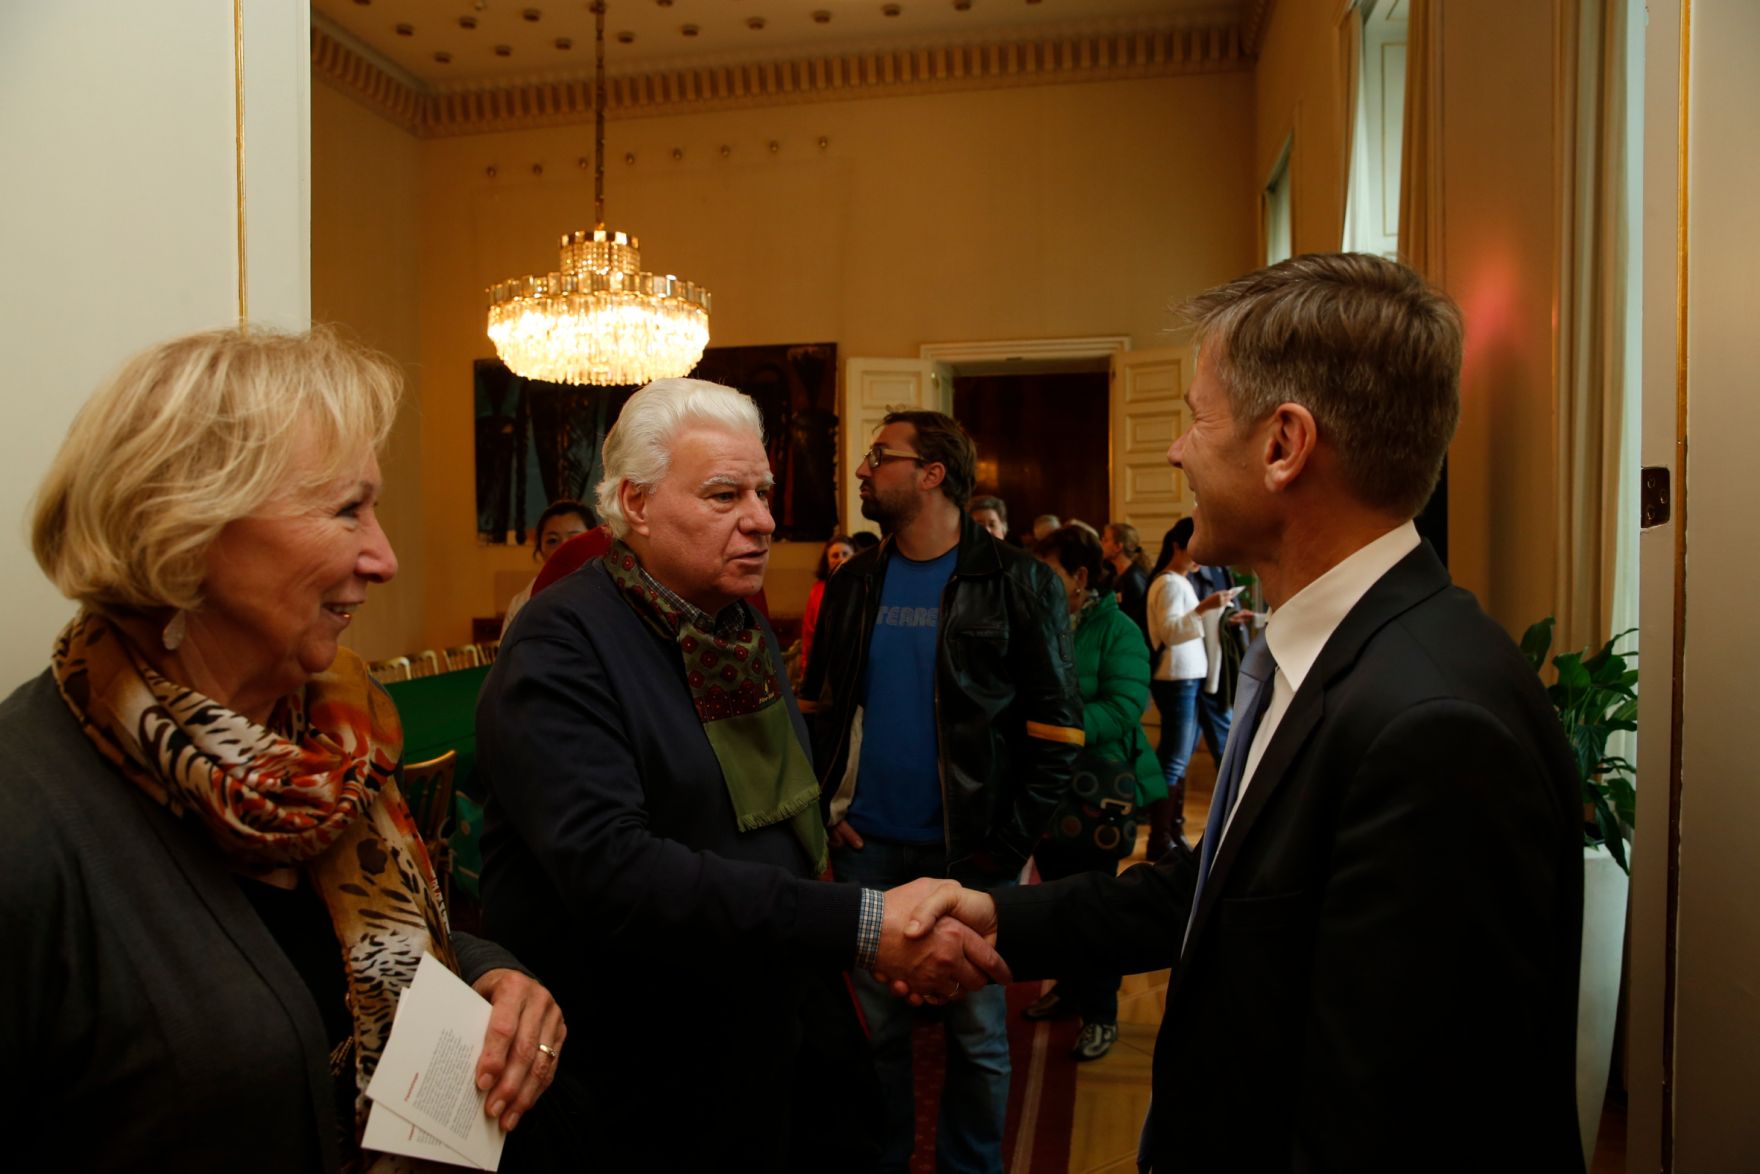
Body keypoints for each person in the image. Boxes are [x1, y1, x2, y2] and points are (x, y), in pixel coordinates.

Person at [896, 254, 1585, 1172]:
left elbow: (1387, 1127)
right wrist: (994, 915)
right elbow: (1221, 893)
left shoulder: (1434, 725)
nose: (1178, 449)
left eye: (1195, 417)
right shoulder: (1326, 653)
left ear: (1283, 446)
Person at [0, 327, 563, 1171]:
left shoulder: (333, 740)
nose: (385, 557)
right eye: (346, 510)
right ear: (183, 532)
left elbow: (340, 943)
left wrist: (490, 973)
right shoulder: (27, 821)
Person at [474, 380, 1009, 1171]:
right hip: (648, 1075)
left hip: (770, 1030)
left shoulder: (730, 618)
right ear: (637, 503)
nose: (761, 518)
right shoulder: (562, 643)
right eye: (725, 495)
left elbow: (757, 808)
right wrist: (861, 926)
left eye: (760, 491)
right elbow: (616, 872)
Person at [800, 409, 1083, 1174]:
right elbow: (821, 716)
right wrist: (827, 814)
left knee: (980, 1038)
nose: (863, 469)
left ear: (932, 474)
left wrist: (1007, 846)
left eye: (879, 456)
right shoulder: (853, 583)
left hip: (971, 859)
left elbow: (1057, 735)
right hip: (867, 852)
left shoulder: (1019, 580)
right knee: (878, 1035)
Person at [1021, 525, 1163, 1062]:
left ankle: (1101, 1010)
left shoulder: (1117, 630)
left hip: (1095, 791)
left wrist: (1058, 726)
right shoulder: (1043, 624)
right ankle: (1071, 987)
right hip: (1048, 785)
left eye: (1049, 574)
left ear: (1080, 577)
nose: (1038, 584)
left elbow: (1126, 707)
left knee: (1095, 904)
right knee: (1056, 897)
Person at [1142, 519, 1227, 857]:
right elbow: (1170, 632)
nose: (1198, 557)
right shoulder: (1168, 583)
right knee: (1174, 759)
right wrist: (1205, 608)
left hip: (1185, 677)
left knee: (1179, 756)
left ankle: (1171, 832)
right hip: (1176, 678)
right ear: (1177, 546)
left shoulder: (1179, 582)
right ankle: (1160, 838)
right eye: (1192, 546)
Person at [501, 498, 595, 634]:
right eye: (552, 541)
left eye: (575, 540)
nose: (563, 549)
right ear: (540, 550)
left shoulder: (611, 594)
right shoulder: (522, 603)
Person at [799, 532, 855, 668]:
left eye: (845, 554)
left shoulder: (863, 586)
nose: (840, 559)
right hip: (825, 662)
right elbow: (809, 632)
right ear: (827, 560)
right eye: (835, 555)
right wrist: (806, 665)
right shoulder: (817, 590)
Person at [1101, 521, 1153, 645]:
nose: (1101, 543)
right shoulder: (1112, 575)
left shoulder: (1134, 578)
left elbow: (1140, 620)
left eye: (1106, 540)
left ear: (1118, 547)